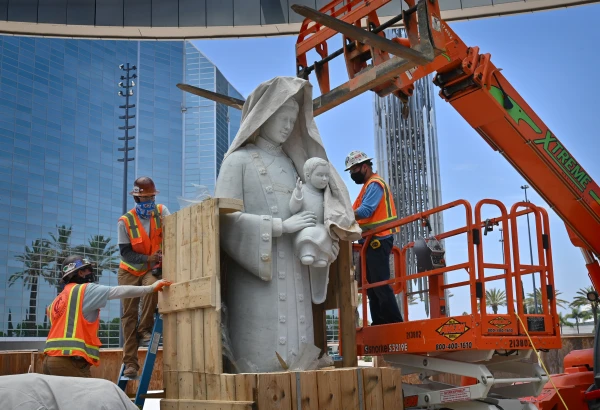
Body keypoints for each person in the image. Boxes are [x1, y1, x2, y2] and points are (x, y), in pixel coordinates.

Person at [215, 76, 361, 373]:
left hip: (295, 270)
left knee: (298, 346)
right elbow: (224, 222)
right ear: (264, 116)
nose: (287, 126)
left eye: (292, 119)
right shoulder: (237, 162)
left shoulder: (297, 164)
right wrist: (281, 227)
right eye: (282, 117)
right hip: (256, 277)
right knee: (259, 361)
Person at [43, 255, 172, 378]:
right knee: (86, 400)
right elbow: (119, 291)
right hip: (69, 362)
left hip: (49, 361)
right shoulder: (84, 290)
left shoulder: (56, 301)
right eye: (88, 270)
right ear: (80, 273)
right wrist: (151, 288)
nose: (90, 273)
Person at [117, 176, 170, 378]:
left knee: (154, 286)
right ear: (137, 199)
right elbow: (126, 253)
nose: (149, 202)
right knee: (129, 315)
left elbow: (173, 231)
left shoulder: (162, 212)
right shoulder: (125, 221)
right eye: (145, 198)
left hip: (150, 269)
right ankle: (130, 363)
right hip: (129, 271)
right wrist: (149, 257)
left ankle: (144, 330)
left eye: (151, 197)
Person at [345, 150, 404, 326]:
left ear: (365, 167)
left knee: (379, 283)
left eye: (354, 170)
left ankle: (394, 322)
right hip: (369, 241)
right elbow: (356, 211)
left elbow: (365, 211)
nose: (353, 175)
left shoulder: (375, 184)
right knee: (370, 285)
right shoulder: (366, 187)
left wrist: (342, 215)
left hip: (379, 239)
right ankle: (378, 321)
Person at [289, 157, 336, 268]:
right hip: (307, 225)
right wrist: (298, 195)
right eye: (320, 175)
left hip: (322, 226)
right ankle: (307, 252)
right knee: (308, 235)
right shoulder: (302, 190)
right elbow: (293, 209)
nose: (324, 179)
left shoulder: (327, 194)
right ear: (308, 176)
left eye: (327, 175)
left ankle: (322, 256)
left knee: (326, 236)